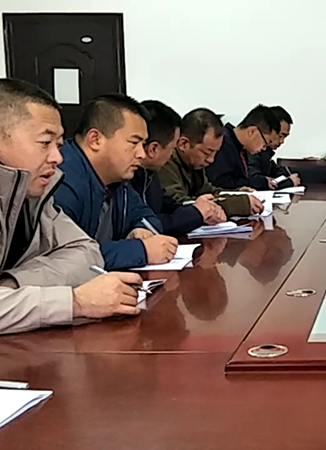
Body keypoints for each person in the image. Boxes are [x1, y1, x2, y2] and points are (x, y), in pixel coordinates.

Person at [0, 79, 145, 334]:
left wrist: (12, 286)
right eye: (45, 143)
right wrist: (74, 302)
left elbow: (87, 252)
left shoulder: (35, 194)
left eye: (58, 144)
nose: (58, 157)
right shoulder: (57, 183)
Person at [55, 94, 179, 271]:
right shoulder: (62, 181)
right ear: (95, 140)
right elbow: (64, 258)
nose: (141, 154)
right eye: (134, 142)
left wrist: (142, 229)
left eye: (143, 144)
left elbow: (146, 215)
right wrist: (140, 250)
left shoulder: (117, 179)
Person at [131, 100, 226, 236]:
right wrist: (196, 213)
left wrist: (200, 209)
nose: (172, 154)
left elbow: (169, 206)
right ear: (153, 149)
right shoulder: (125, 178)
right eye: (172, 148)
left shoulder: (149, 173)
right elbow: (146, 224)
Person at [158, 108, 263, 218]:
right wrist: (238, 204)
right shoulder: (165, 161)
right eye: (207, 153)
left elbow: (207, 191)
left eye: (215, 153)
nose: (211, 160)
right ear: (183, 144)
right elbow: (178, 203)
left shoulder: (193, 163)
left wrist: (236, 193)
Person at [206, 104, 281, 190]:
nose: (264, 149)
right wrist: (256, 183)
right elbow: (221, 182)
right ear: (252, 132)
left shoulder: (240, 147)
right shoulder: (223, 143)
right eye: (265, 143)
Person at [247, 106, 301, 189]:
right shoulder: (252, 150)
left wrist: (285, 177)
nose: (282, 141)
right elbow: (254, 180)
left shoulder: (266, 153)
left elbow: (276, 172)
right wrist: (288, 182)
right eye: (280, 136)